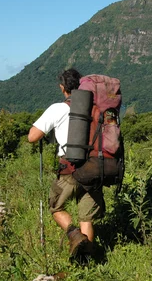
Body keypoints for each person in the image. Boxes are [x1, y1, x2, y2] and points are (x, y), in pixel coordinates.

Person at [28, 68, 105, 259]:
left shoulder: (58, 108)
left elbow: (32, 137)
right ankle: (87, 261)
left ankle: (74, 235)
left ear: (63, 88)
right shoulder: (94, 108)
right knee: (86, 217)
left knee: (56, 208)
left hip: (70, 169)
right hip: (94, 167)